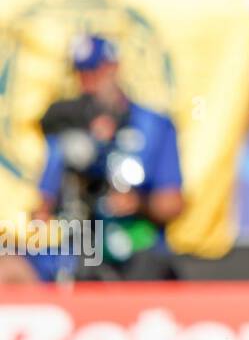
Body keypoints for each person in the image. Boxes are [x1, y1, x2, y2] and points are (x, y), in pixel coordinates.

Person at [36, 36, 185, 281]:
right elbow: (41, 210)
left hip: (138, 250)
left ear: (114, 67)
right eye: (81, 75)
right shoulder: (66, 128)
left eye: (96, 72)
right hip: (83, 250)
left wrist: (137, 203)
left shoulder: (153, 126)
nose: (89, 85)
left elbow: (173, 202)